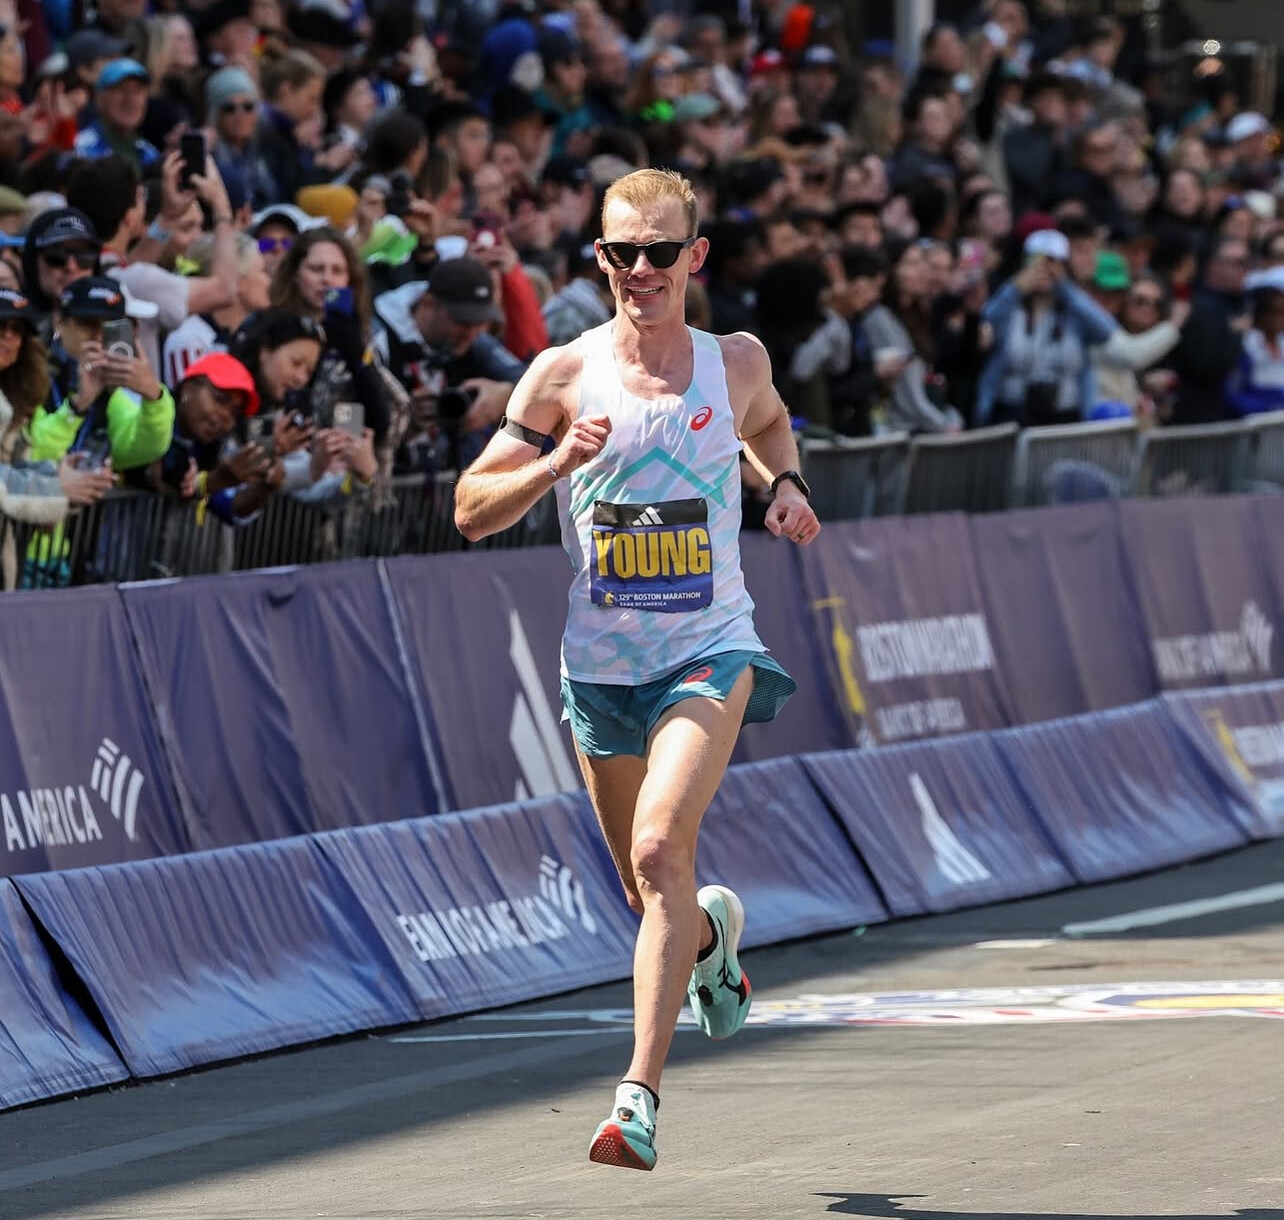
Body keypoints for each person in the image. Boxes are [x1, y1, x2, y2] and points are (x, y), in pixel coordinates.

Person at [454, 167, 820, 1173]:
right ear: (601, 257)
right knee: (646, 888)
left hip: (709, 649)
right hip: (601, 671)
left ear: (695, 256)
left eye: (662, 251)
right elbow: (469, 510)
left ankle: (637, 1099)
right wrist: (553, 465)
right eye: (624, 252)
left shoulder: (734, 360)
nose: (642, 269)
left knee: (661, 847)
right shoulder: (560, 374)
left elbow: (768, 423)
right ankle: (710, 940)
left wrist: (785, 485)